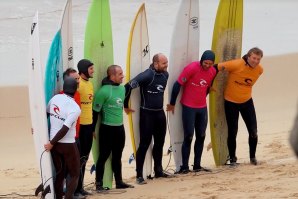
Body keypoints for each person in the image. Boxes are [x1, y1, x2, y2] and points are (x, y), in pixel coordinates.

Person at [167, 50, 217, 173]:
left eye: (210, 63)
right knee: (189, 136)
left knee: (201, 136)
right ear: (201, 60)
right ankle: (184, 167)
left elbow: (206, 88)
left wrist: (203, 98)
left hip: (202, 108)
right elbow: (177, 85)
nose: (207, 65)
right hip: (188, 107)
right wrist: (172, 104)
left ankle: (197, 165)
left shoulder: (212, 71)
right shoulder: (192, 68)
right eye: (205, 63)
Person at [124, 53, 169, 184]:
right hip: (147, 115)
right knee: (144, 144)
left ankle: (158, 170)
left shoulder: (165, 75)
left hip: (160, 114)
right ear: (155, 64)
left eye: (166, 62)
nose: (166, 65)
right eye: (164, 63)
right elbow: (127, 86)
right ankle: (139, 175)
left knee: (160, 143)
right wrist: (125, 105)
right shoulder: (147, 75)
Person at [216, 47, 264, 166]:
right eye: (254, 58)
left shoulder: (260, 70)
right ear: (248, 56)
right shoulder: (236, 64)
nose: (256, 61)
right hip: (230, 103)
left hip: (247, 102)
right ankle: (232, 158)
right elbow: (215, 67)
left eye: (258, 59)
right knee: (233, 132)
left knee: (253, 132)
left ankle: (252, 158)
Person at [92, 65, 134, 191]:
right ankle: (99, 184)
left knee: (117, 156)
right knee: (103, 156)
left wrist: (126, 107)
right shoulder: (103, 91)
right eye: (120, 74)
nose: (123, 76)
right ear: (112, 76)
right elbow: (95, 112)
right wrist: (92, 129)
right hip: (107, 129)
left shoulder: (122, 89)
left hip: (120, 129)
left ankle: (119, 182)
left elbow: (125, 96)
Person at [44, 77, 81, 199]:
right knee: (75, 174)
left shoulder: (54, 98)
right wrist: (51, 143)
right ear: (75, 90)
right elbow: (65, 128)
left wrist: (51, 142)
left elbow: (46, 115)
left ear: (63, 88)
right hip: (67, 144)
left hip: (55, 145)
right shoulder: (75, 107)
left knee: (60, 173)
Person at [75, 59, 94, 197]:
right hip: (80, 126)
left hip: (89, 125)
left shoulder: (89, 84)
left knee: (85, 158)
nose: (93, 70)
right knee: (80, 158)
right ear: (83, 70)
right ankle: (76, 188)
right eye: (90, 68)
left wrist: (92, 127)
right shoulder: (79, 84)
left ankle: (80, 187)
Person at [61, 68, 81, 143]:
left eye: (78, 78)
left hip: (77, 136)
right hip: (67, 139)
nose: (78, 81)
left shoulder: (78, 94)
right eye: (75, 79)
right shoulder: (60, 96)